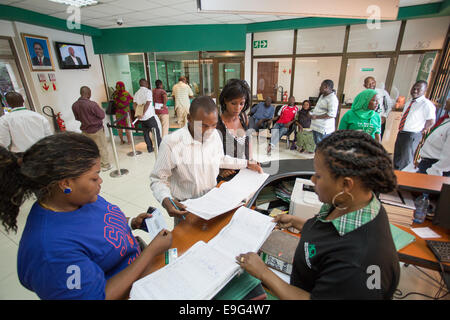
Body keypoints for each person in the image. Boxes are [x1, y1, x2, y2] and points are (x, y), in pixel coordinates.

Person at [0, 132, 172, 299]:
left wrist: (131, 223)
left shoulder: (81, 198)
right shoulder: (49, 251)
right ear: (66, 183)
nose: (100, 181)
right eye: (94, 177)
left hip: (143, 271)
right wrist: (150, 252)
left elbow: (99, 224)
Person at [237, 130, 400, 300]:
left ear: (346, 185)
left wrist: (264, 273)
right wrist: (298, 221)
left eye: (319, 176)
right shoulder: (354, 203)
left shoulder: (357, 265)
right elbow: (330, 231)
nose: (313, 180)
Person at [150, 96, 263, 225]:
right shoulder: (171, 143)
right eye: (203, 126)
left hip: (212, 202)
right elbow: (158, 179)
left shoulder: (214, 135)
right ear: (189, 118)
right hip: (186, 210)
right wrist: (165, 199)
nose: (209, 131)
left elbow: (220, 159)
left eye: (213, 125)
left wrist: (246, 163)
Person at [393, 81, 436, 170]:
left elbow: (431, 120)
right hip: (402, 133)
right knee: (397, 158)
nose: (415, 91)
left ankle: (404, 182)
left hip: (412, 135)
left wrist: (423, 129)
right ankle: (395, 177)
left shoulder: (426, 104)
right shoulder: (409, 102)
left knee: (406, 161)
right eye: (414, 88)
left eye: (418, 89)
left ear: (425, 90)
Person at [216, 79, 252, 181]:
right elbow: (212, 156)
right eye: (233, 103)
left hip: (244, 173)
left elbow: (248, 144)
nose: (238, 108)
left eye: (241, 103)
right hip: (226, 177)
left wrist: (251, 162)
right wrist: (220, 171)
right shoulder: (217, 125)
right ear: (225, 101)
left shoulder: (244, 118)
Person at [72, 86, 111, 172]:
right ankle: (105, 164)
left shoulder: (74, 105)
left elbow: (77, 118)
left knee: (90, 149)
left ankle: (95, 165)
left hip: (85, 130)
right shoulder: (92, 104)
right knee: (102, 147)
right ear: (89, 93)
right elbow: (102, 115)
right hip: (96, 130)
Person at [416, 98, 450, 176]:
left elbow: (448, 158)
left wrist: (433, 172)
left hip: (435, 170)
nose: (447, 100)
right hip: (426, 164)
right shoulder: (446, 120)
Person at [134, 79, 162, 153]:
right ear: (146, 84)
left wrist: (138, 114)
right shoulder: (148, 91)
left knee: (146, 134)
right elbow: (148, 103)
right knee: (156, 132)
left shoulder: (136, 93)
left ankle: (149, 149)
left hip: (141, 118)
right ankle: (159, 148)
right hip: (149, 117)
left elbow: (134, 104)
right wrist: (143, 113)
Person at [310, 80, 339, 145]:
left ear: (326, 87)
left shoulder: (332, 99)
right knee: (317, 146)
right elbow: (318, 109)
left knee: (322, 147)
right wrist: (311, 113)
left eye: (321, 86)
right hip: (316, 127)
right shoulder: (322, 96)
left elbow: (331, 114)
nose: (320, 88)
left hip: (323, 129)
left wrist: (316, 117)